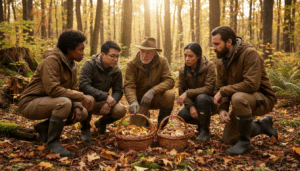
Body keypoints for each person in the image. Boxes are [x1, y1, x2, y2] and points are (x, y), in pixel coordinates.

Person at [17, 29, 93, 157]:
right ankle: (52, 143)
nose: (83, 53)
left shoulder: (72, 65)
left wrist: (77, 106)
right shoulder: (51, 61)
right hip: (29, 104)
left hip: (49, 102)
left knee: (83, 112)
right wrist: (80, 96)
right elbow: (52, 90)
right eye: (81, 49)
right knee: (64, 103)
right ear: (69, 50)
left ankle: (44, 127)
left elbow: (74, 89)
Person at [211, 26, 278, 156]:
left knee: (237, 97)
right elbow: (221, 87)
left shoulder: (250, 54)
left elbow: (251, 85)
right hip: (242, 100)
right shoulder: (220, 61)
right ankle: (262, 126)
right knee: (228, 138)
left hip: (262, 99)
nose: (214, 47)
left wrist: (223, 91)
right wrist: (223, 108)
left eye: (217, 44)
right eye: (213, 44)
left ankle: (244, 143)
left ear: (229, 42)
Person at [79, 41, 126, 141]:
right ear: (103, 55)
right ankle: (85, 129)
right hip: (85, 101)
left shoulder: (117, 71)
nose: (116, 59)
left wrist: (109, 103)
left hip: (103, 102)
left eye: (118, 56)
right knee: (90, 99)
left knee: (120, 110)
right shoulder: (89, 65)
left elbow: (118, 91)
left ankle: (101, 123)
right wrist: (105, 96)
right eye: (112, 56)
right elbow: (83, 86)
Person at [124, 37, 175, 129]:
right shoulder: (131, 64)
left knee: (170, 94)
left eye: (148, 53)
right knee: (135, 128)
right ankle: (145, 115)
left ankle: (161, 125)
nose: (144, 55)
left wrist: (153, 91)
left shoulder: (162, 61)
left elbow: (169, 81)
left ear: (155, 53)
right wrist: (133, 101)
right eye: (142, 52)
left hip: (156, 98)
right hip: (140, 101)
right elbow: (129, 86)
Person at [176, 42, 216, 142]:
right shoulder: (182, 70)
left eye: (190, 56)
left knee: (201, 97)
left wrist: (188, 93)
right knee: (181, 115)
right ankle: (200, 125)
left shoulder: (209, 66)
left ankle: (205, 131)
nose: (187, 59)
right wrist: (191, 106)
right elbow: (181, 91)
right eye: (185, 55)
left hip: (211, 102)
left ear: (198, 56)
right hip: (194, 103)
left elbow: (209, 88)